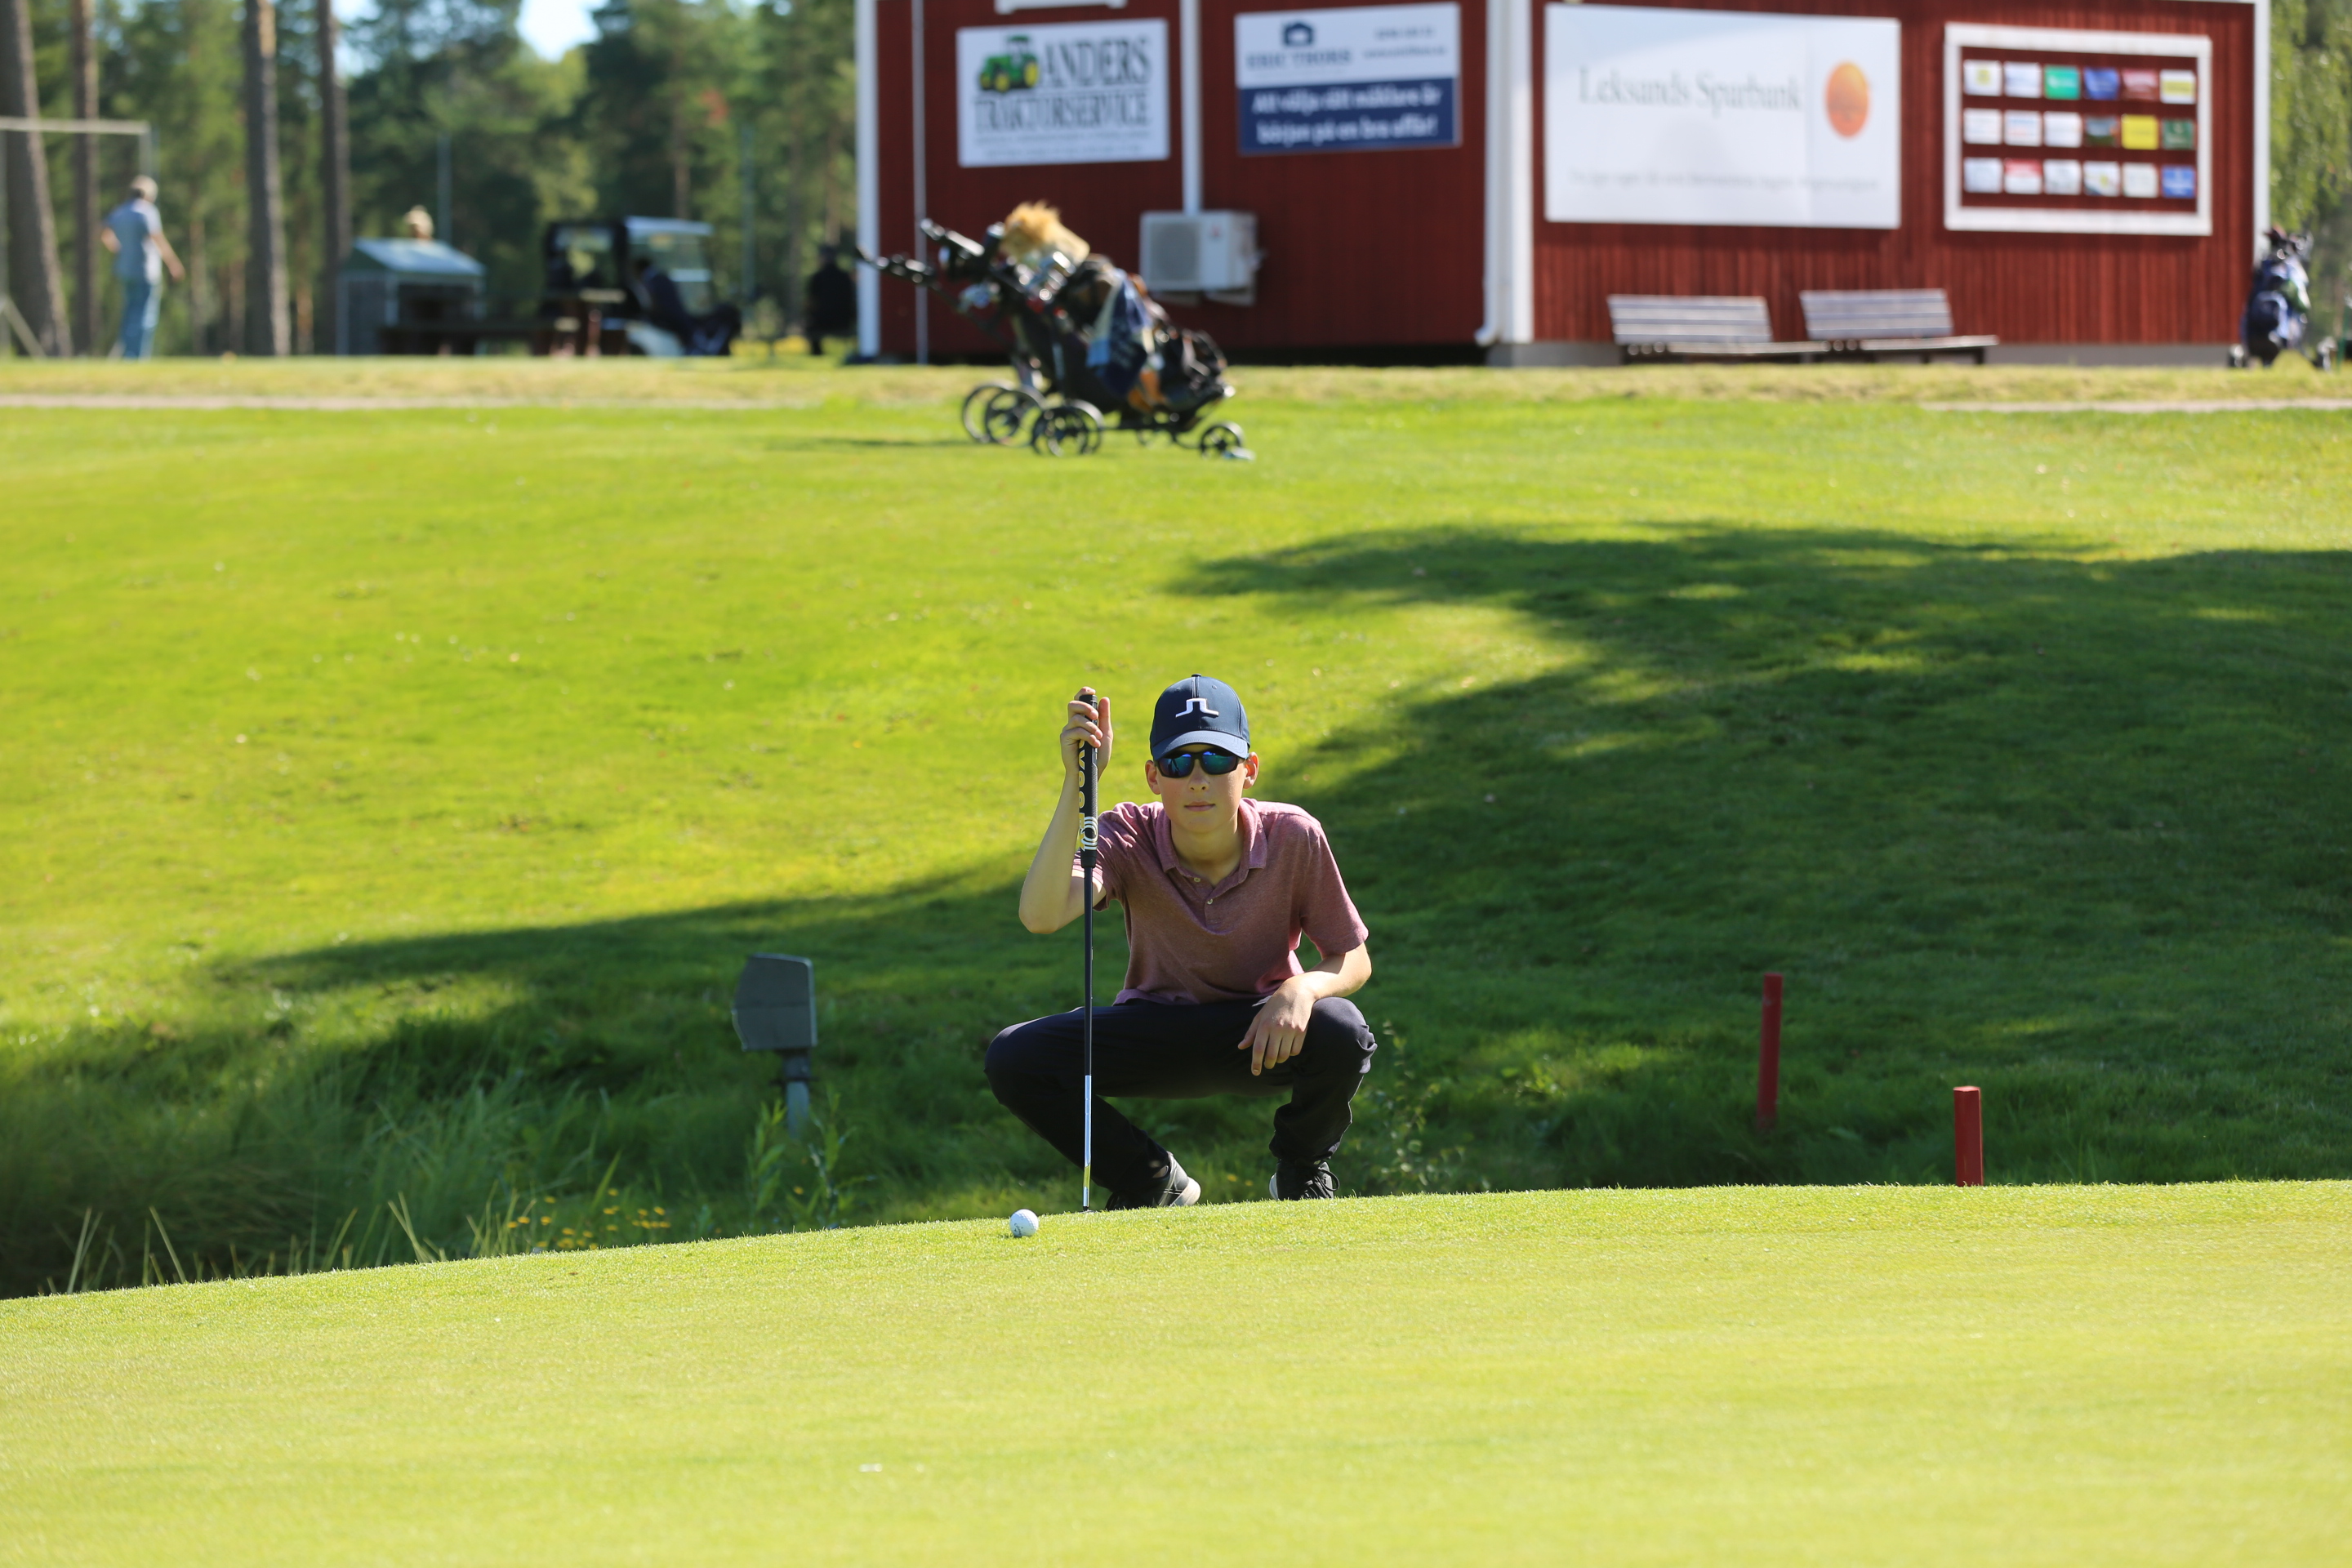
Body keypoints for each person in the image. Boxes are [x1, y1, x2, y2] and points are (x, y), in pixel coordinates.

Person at [985, 675, 1377, 1208]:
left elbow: (1352, 956)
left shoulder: (1294, 834)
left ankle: (1302, 1169)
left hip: (1260, 1032)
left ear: (1248, 769)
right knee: (1015, 1057)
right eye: (1177, 763)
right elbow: (1040, 915)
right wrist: (1080, 785)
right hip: (1155, 1030)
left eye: (1216, 760)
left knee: (1342, 1030)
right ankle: (1148, 1179)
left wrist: (1302, 989)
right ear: (1153, 776)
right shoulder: (1125, 833)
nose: (1197, 780)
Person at [97, 176, 184, 360]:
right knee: (145, 315)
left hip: (124, 270)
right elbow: (158, 239)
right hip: (146, 271)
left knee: (129, 313)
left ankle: (128, 354)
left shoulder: (120, 211)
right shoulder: (147, 211)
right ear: (149, 195)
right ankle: (137, 356)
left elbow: (103, 232)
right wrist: (173, 263)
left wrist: (119, 249)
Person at [803, 246, 857, 355]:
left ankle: (817, 353)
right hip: (844, 321)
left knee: (810, 326)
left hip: (822, 322)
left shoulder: (817, 278)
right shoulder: (845, 277)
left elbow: (811, 301)